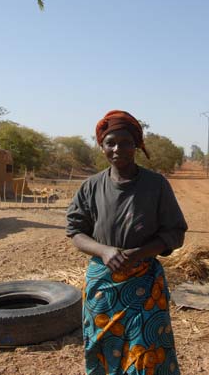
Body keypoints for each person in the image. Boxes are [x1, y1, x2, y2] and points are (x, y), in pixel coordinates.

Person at [66, 110, 187, 375]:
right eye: (111, 143)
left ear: (137, 146)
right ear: (102, 147)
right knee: (103, 352)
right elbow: (75, 231)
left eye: (125, 143)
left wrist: (140, 253)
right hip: (102, 286)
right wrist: (104, 250)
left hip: (145, 286)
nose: (118, 148)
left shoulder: (156, 185)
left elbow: (175, 232)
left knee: (146, 355)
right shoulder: (91, 187)